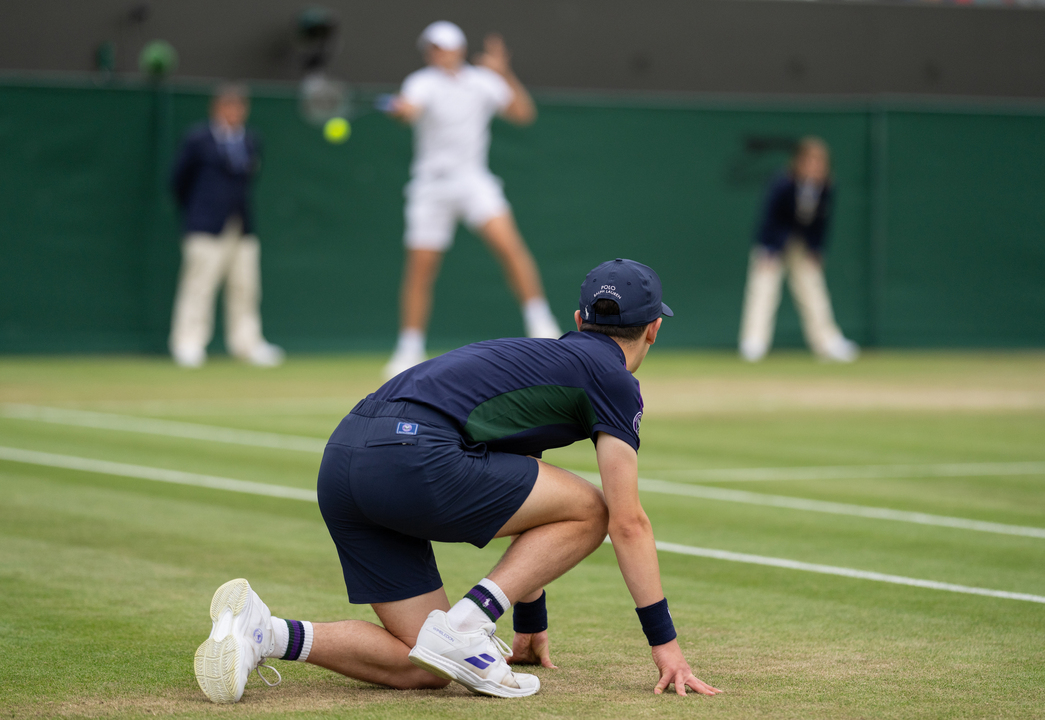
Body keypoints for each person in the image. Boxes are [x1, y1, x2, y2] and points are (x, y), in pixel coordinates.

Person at [193, 258, 722, 703]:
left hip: (343, 460)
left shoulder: (540, 364)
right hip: (411, 454)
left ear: (580, 319)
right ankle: (469, 623)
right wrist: (666, 647)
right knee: (595, 509)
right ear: (654, 328)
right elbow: (628, 522)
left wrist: (530, 625)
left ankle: (261, 631)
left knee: (425, 666)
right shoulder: (615, 380)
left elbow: (531, 502)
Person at [380, 21, 561, 379]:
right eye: (432, 48)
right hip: (431, 187)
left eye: (443, 47)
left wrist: (504, 72)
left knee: (510, 248)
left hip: (474, 181)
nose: (437, 53)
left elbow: (524, 114)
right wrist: (401, 109)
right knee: (420, 269)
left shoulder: (483, 81)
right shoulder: (421, 82)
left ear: (458, 49)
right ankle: (409, 349)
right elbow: (410, 110)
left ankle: (543, 327)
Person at [169, 83, 284, 368]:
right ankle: (188, 343)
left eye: (239, 107)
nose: (234, 112)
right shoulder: (198, 139)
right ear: (217, 109)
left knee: (245, 288)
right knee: (198, 286)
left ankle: (247, 344)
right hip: (205, 226)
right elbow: (177, 182)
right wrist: (198, 212)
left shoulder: (250, 140)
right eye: (228, 106)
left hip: (241, 226)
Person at [738, 137, 859, 362]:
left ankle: (826, 342)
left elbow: (822, 222)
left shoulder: (826, 187)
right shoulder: (781, 183)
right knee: (763, 290)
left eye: (819, 161)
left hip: (802, 245)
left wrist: (816, 248)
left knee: (813, 290)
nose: (814, 166)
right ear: (799, 162)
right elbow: (769, 217)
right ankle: (753, 343)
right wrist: (768, 250)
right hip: (773, 243)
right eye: (810, 160)